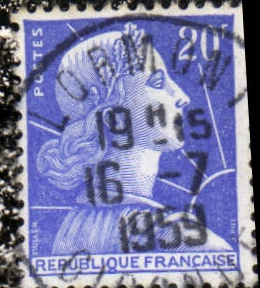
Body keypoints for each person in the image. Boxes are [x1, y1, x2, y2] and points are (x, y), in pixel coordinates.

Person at [36, 22, 230, 257]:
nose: (182, 97)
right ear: (112, 118)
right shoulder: (175, 235)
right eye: (157, 83)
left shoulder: (70, 228)